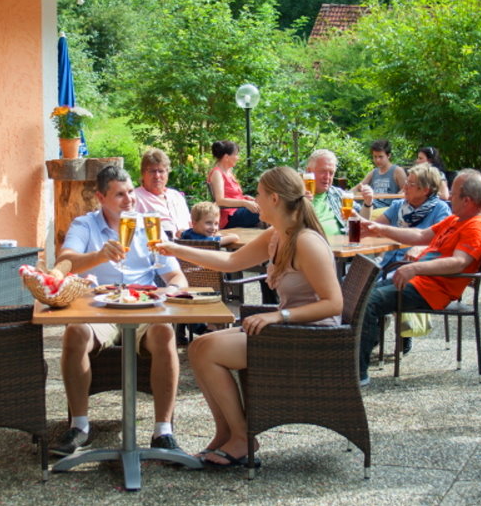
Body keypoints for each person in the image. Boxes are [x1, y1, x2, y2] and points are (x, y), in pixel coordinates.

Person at [156, 166, 343, 467]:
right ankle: (226, 433)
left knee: (209, 352)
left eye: (256, 193)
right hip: (290, 327)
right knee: (197, 347)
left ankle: (243, 437)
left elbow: (334, 304)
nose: (252, 198)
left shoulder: (306, 241)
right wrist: (176, 249)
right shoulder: (277, 234)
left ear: (273, 198)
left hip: (311, 335)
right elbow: (230, 261)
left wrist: (278, 316)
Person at [50, 165, 189, 456]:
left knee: (165, 332)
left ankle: (163, 431)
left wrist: (169, 290)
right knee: (74, 332)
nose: (129, 200)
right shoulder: (85, 225)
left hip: (143, 307)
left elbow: (177, 278)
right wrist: (99, 255)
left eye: (130, 192)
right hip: (100, 308)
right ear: (100, 197)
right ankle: (79, 426)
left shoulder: (149, 225)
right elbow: (64, 263)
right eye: (119, 195)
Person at [356, 169, 481, 386]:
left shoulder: (476, 226)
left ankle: (358, 373)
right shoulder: (456, 219)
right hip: (419, 281)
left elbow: (459, 262)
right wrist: (379, 228)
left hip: (432, 290)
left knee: (367, 303)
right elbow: (420, 235)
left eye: (454, 194)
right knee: (359, 296)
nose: (448, 197)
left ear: (467, 201)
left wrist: (416, 268)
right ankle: (357, 357)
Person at [133, 147, 192, 239]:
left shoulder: (176, 196)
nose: (157, 176)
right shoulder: (134, 198)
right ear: (143, 173)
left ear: (167, 173)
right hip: (157, 250)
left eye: (161, 171)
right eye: (152, 171)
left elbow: (190, 224)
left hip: (188, 247)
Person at [207, 140, 260, 229]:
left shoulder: (229, 172)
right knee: (267, 210)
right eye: (236, 154)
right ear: (227, 157)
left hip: (238, 211)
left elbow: (231, 196)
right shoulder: (217, 173)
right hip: (229, 216)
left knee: (267, 205)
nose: (238, 158)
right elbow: (220, 200)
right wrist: (244, 203)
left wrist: (245, 198)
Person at [304, 149, 351, 236]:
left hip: (341, 247)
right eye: (323, 171)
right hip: (311, 247)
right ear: (309, 171)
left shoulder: (337, 194)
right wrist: (298, 207)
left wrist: (367, 203)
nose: (327, 177)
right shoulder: (295, 196)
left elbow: (360, 219)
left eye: (331, 173)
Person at [355, 139, 406, 215]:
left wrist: (398, 196)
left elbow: (406, 190)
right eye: (375, 157)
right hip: (371, 205)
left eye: (381, 157)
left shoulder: (397, 171)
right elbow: (358, 187)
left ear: (388, 156)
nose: (377, 160)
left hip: (386, 209)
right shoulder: (373, 172)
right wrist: (346, 194)